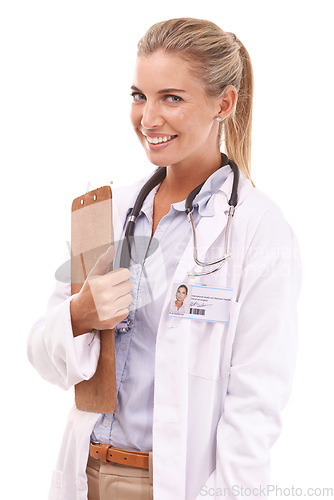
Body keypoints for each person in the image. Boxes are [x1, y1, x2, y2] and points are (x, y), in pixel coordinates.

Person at [27, 17, 302, 500]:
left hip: (175, 487)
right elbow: (44, 359)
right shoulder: (104, 212)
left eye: (171, 98)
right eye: (139, 96)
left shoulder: (260, 231)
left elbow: (255, 410)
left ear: (225, 103)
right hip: (85, 473)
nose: (148, 118)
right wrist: (80, 314)